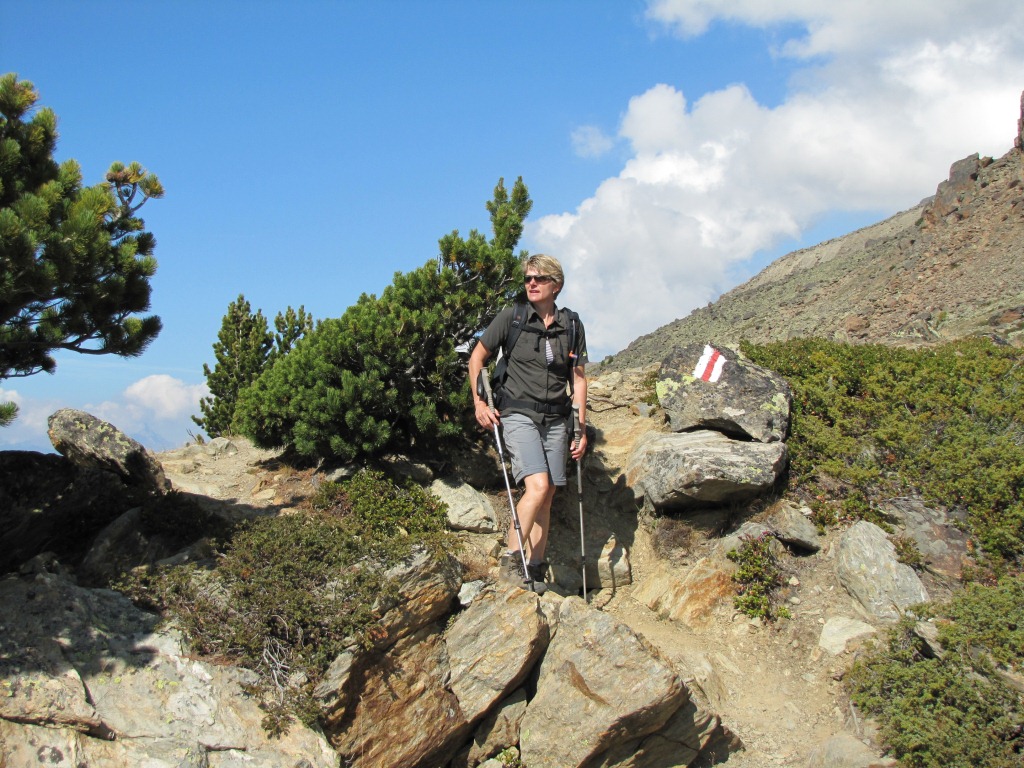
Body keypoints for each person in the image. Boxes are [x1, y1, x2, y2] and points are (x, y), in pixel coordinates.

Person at [468, 254, 588, 593]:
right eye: (527, 278)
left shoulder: (571, 325)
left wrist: (580, 428)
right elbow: (477, 358)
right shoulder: (513, 317)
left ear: (556, 285)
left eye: (539, 278)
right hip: (518, 413)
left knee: (548, 493)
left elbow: (579, 379)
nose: (531, 283)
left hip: (556, 417)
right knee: (536, 486)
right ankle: (512, 562)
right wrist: (479, 402)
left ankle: (534, 569)